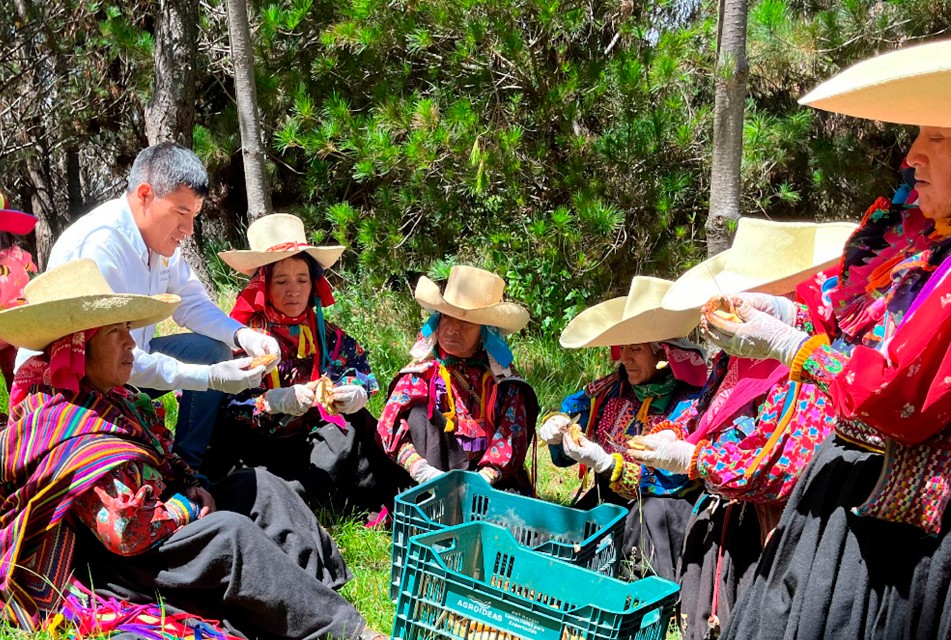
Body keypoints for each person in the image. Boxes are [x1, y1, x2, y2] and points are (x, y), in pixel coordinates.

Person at [699, 41, 951, 640]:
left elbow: (891, 394)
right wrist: (785, 309)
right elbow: (842, 306)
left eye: (938, 138)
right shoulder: (913, 237)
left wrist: (792, 347)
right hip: (844, 496)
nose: (912, 154)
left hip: (897, 530)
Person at [0, 259, 381, 640]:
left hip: (155, 522)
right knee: (229, 534)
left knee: (260, 486)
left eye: (128, 330)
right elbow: (127, 532)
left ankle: (312, 595)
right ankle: (344, 631)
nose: (131, 343)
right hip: (123, 564)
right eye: (116, 332)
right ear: (77, 347)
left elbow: (159, 462)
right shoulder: (67, 425)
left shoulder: (109, 399)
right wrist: (188, 507)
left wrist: (188, 484)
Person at [627, 218, 853, 640]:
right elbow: (705, 413)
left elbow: (779, 464)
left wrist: (692, 459)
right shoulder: (735, 357)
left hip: (777, 528)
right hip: (730, 517)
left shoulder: (808, 363)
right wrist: (676, 434)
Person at [16, 142, 281, 470]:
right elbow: (105, 357)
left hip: (124, 364)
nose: (188, 230)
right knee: (201, 367)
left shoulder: (158, 240)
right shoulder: (101, 247)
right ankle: (162, 471)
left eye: (194, 217)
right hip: (76, 379)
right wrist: (207, 377)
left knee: (212, 348)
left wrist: (242, 336)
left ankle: (191, 465)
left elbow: (192, 302)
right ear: (144, 195)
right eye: (181, 214)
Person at [204, 213, 407, 511]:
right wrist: (272, 402)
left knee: (355, 425)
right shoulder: (242, 338)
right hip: (255, 447)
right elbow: (222, 407)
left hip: (308, 441)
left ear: (314, 285)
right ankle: (298, 499)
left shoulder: (325, 334)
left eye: (302, 279)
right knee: (247, 476)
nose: (294, 290)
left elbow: (353, 371)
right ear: (263, 286)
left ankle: (371, 497)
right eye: (281, 280)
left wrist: (353, 392)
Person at [538, 276, 707, 581]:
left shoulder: (692, 402)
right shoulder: (612, 390)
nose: (625, 359)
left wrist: (606, 463)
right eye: (623, 349)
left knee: (652, 513)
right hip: (612, 502)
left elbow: (671, 479)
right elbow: (565, 452)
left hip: (663, 512)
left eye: (636, 349)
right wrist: (557, 431)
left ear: (663, 354)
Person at [377, 265, 538, 494]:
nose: (452, 329)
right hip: (431, 474)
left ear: (485, 331)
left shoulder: (504, 382)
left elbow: (512, 434)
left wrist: (485, 478)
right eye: (447, 319)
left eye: (465, 323)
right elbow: (389, 423)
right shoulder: (423, 372)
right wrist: (421, 469)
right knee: (420, 415)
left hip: (486, 483)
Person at [0, 191, 37, 393]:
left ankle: (19, 411)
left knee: (15, 374)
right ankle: (20, 410)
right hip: (16, 326)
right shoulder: (17, 254)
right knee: (15, 376)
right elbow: (32, 267)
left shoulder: (14, 255)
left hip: (13, 329)